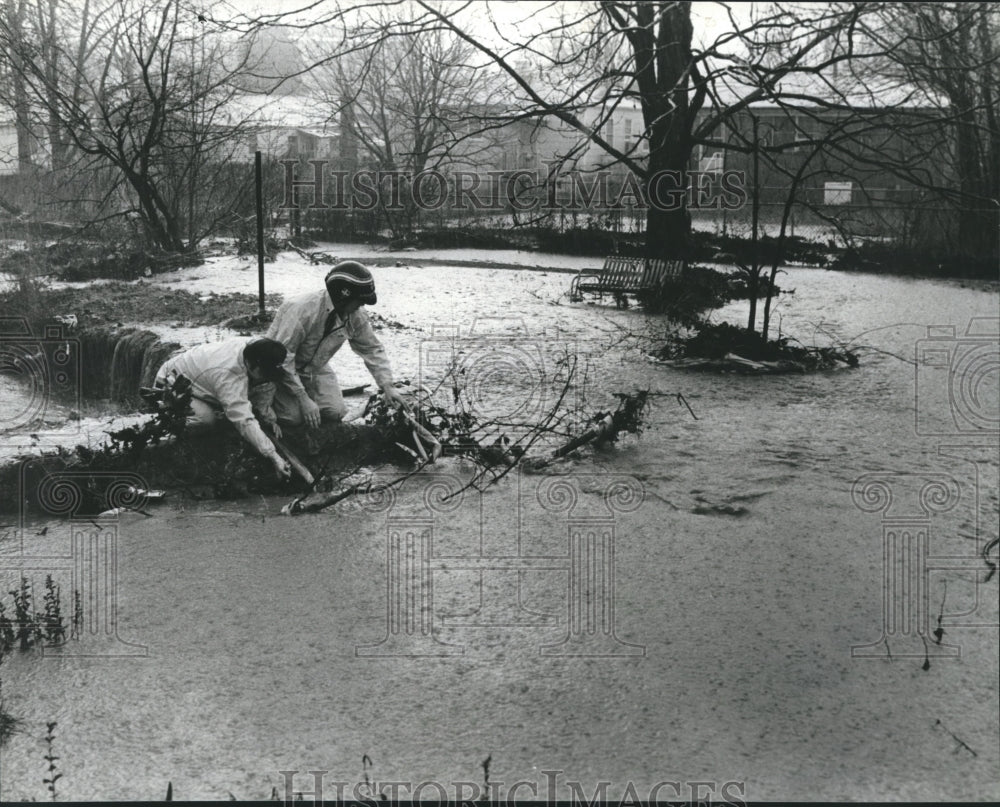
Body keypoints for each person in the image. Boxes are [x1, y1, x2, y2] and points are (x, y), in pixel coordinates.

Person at [265, 260, 408, 429]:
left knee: (337, 413)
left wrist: (387, 386)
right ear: (343, 296)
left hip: (315, 369)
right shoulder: (302, 310)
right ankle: (264, 401)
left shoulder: (355, 315)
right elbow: (283, 359)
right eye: (359, 300)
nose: (362, 305)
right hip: (278, 369)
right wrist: (303, 398)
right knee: (292, 419)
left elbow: (371, 349)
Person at [153, 336, 292, 479]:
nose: (265, 378)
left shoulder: (257, 348)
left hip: (201, 378)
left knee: (251, 393)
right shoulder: (228, 376)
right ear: (252, 365)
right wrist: (273, 455)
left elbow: (267, 385)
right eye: (263, 374)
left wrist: (269, 418)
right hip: (171, 383)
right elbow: (242, 419)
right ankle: (168, 431)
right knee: (206, 419)